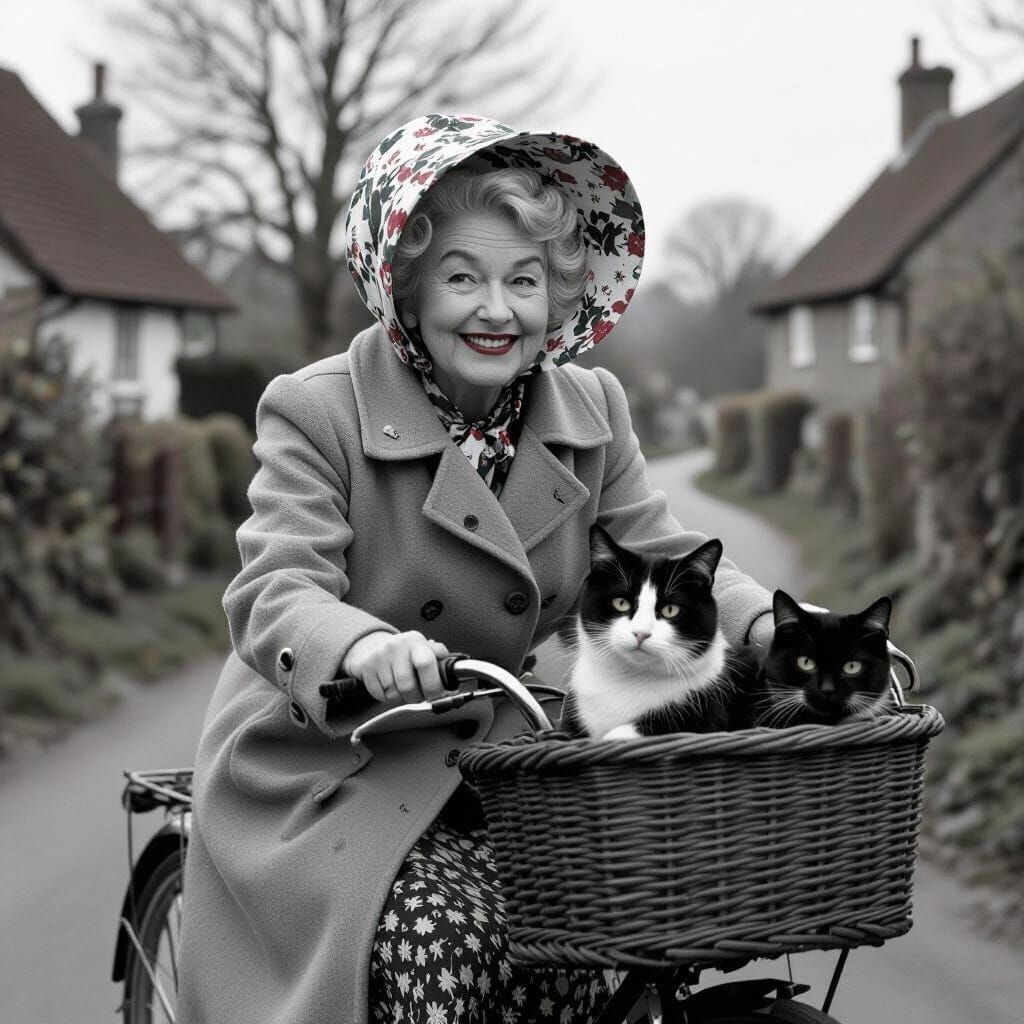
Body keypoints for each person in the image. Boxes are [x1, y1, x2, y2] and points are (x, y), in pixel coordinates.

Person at [176, 113, 776, 1024]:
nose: (498, 309)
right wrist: (363, 644)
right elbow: (275, 588)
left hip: (497, 760)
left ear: (558, 295)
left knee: (579, 939)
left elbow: (660, 551)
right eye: (463, 277)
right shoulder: (316, 410)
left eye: (525, 280)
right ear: (407, 287)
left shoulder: (593, 406)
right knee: (449, 949)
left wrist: (771, 624)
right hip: (328, 762)